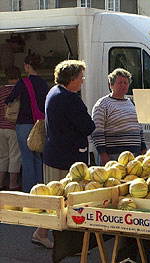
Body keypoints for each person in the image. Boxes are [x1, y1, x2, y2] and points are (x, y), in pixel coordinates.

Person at [40, 60, 95, 249]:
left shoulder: (53, 92)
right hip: (67, 158)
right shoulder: (70, 98)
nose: (83, 81)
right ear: (71, 78)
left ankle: (41, 232)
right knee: (64, 199)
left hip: (54, 154)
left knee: (54, 198)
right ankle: (65, 242)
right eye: (81, 77)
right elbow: (88, 126)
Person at [5, 53, 49, 193]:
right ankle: (41, 187)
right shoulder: (43, 83)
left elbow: (9, 99)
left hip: (24, 124)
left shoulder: (23, 82)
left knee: (27, 157)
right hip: (40, 124)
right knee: (38, 157)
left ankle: (30, 190)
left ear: (28, 66)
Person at [92, 68, 146, 165]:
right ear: (111, 85)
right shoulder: (102, 104)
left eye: (126, 83)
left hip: (134, 156)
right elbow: (97, 131)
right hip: (113, 156)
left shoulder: (131, 103)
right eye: (120, 83)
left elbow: (139, 128)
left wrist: (143, 148)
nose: (123, 85)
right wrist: (103, 155)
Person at [0, 66, 22, 191]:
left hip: (0, 127)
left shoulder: (1, 91)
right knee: (15, 156)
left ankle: (1, 182)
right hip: (13, 127)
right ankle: (13, 184)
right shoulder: (18, 91)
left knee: (2, 156)